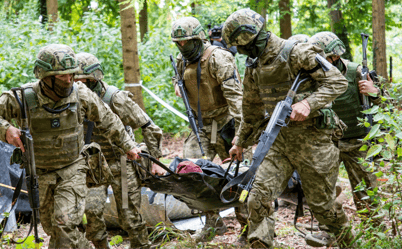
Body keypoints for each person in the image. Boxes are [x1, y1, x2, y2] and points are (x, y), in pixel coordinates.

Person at [0, 44, 140, 248]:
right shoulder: (24, 98)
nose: (69, 80)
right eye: (62, 76)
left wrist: (128, 146)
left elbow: (108, 119)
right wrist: (6, 129)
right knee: (55, 232)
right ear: (45, 77)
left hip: (73, 169)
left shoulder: (81, 94)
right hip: (41, 174)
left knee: (64, 225)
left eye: (71, 74)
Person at [223, 9, 355, 248]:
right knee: (257, 199)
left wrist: (308, 103)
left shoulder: (298, 52)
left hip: (313, 141)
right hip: (276, 142)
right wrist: (239, 142)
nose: (243, 52)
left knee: (324, 208)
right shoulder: (254, 65)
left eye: (245, 46)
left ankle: (351, 244)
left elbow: (337, 82)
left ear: (255, 37)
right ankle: (260, 242)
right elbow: (251, 110)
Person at [171, 17, 249, 243]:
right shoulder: (180, 60)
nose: (183, 47)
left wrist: (240, 137)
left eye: (187, 42)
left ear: (199, 38)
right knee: (189, 172)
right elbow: (179, 81)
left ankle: (249, 229)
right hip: (200, 126)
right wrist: (178, 85)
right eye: (179, 43)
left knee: (239, 177)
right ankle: (212, 222)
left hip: (226, 124)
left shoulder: (219, 58)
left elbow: (237, 99)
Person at [75, 52, 164, 249]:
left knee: (129, 215)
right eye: (74, 80)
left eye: (81, 80)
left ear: (93, 79)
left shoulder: (114, 98)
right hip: (93, 167)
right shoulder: (72, 99)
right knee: (91, 211)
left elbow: (149, 126)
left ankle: (140, 246)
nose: (77, 84)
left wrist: (156, 160)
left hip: (121, 164)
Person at [305, 31, 385, 245]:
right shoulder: (313, 77)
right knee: (323, 192)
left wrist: (374, 92)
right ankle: (330, 232)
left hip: (358, 142)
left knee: (366, 194)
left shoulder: (356, 71)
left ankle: (375, 235)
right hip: (328, 142)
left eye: (327, 57)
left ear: (335, 56)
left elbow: (384, 106)